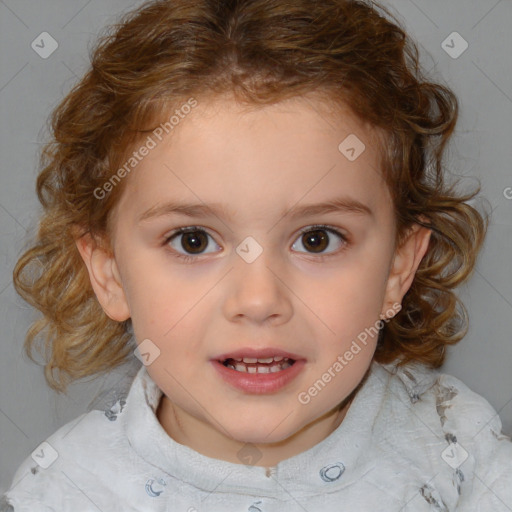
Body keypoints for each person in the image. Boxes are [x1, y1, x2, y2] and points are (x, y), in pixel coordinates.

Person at [2, 0, 511, 510]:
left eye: (317, 239)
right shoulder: (65, 491)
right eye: (193, 241)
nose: (259, 299)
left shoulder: (460, 450)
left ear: (398, 268)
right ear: (108, 272)